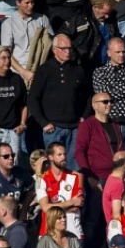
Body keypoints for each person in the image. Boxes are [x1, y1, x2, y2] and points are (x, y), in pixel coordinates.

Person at [28, 34, 87, 170]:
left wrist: (84, 116)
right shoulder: (44, 70)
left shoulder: (78, 69)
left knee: (74, 168)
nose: (68, 52)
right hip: (53, 128)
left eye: (70, 49)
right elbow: (33, 98)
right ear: (54, 50)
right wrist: (43, 123)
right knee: (53, 168)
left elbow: (88, 95)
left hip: (74, 128)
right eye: (63, 48)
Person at [92, 38, 125, 148]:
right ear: (109, 53)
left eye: (124, 52)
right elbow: (102, 94)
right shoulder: (99, 72)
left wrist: (111, 89)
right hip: (110, 123)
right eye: (118, 52)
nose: (121, 55)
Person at [0, 143, 34, 247]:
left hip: (14, 220)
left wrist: (24, 210)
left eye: (12, 155)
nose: (11, 158)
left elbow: (32, 189)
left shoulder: (20, 172)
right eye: (6, 156)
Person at [0, 0, 52, 83]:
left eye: (32, 2)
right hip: (17, 73)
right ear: (18, 3)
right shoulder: (8, 24)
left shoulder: (42, 19)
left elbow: (51, 44)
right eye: (27, 3)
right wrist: (24, 72)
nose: (30, 6)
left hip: (40, 71)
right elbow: (7, 53)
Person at [36, 143, 84, 239]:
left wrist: (51, 208)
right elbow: (45, 208)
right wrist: (70, 202)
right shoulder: (41, 179)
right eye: (59, 155)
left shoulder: (76, 177)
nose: (64, 157)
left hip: (73, 232)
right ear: (51, 157)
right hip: (47, 233)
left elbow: (76, 206)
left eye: (65, 154)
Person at [60, 0, 116, 72]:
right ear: (96, 7)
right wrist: (74, 58)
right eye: (105, 13)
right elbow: (62, 37)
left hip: (106, 67)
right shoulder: (79, 20)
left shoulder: (111, 21)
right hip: (85, 67)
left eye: (109, 13)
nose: (107, 16)